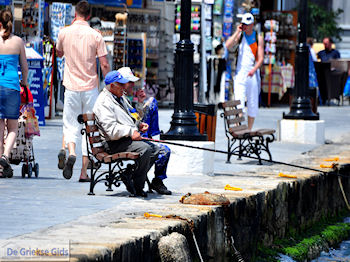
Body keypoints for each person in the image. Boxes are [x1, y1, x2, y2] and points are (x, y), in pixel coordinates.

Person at [93, 71, 172, 197]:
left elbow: (129, 117)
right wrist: (131, 132)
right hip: (112, 143)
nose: (124, 87)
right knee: (145, 149)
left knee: (156, 149)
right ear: (112, 86)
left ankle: (132, 176)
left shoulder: (120, 98)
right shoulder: (104, 102)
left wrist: (138, 125)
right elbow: (111, 130)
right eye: (121, 84)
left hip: (122, 140)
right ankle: (137, 185)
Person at [56, 0, 110, 182]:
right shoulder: (96, 36)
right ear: (89, 15)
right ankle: (84, 172)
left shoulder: (64, 32)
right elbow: (104, 63)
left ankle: (71, 152)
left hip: (71, 86)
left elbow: (59, 53)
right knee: (90, 128)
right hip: (90, 88)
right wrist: (109, 85)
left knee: (70, 123)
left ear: (75, 14)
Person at [117, 67, 171, 195]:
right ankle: (135, 176)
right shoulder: (119, 99)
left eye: (132, 82)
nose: (132, 85)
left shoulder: (124, 99)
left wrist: (140, 103)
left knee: (164, 150)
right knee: (161, 150)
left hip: (135, 134)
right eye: (129, 82)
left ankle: (156, 180)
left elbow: (135, 118)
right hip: (128, 139)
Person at [0, 9, 28, 178]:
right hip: (12, 88)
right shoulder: (18, 41)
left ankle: (0, 167)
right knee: (12, 127)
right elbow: (24, 67)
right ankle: (5, 156)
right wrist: (24, 82)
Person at [225, 13, 264, 130]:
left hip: (252, 73)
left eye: (247, 24)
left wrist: (253, 70)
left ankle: (249, 130)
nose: (245, 26)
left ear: (252, 24)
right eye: (243, 24)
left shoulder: (258, 38)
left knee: (252, 103)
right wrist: (237, 32)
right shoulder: (240, 36)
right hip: (240, 73)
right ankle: (240, 129)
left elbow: (260, 58)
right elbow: (227, 45)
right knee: (239, 102)